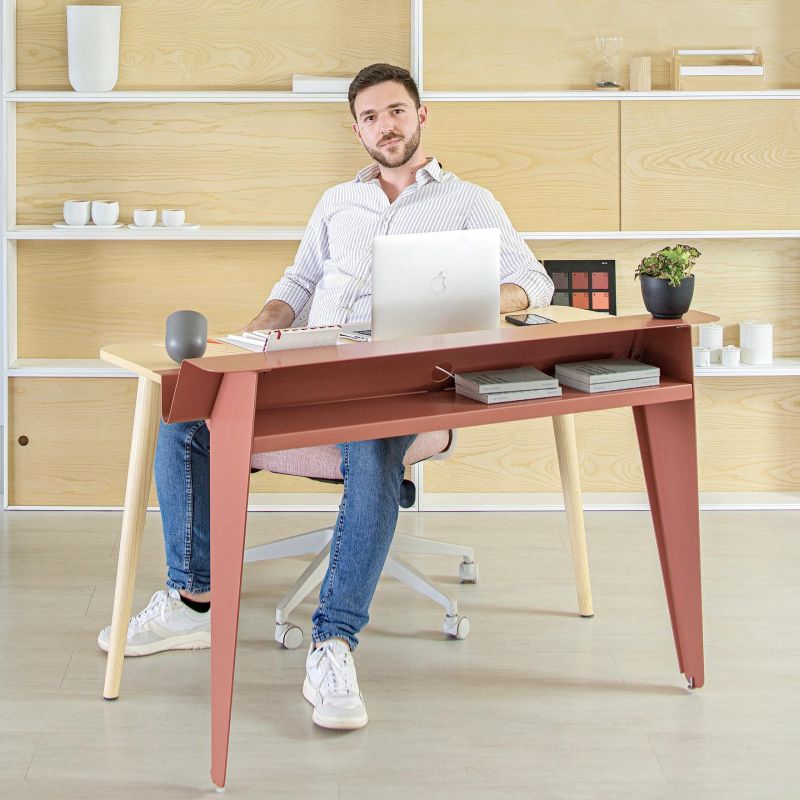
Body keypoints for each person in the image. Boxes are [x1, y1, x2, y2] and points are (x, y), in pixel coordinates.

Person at [98, 63, 554, 730]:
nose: (385, 126)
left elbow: (534, 284)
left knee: (372, 447)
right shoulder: (339, 201)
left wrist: (472, 301)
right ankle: (191, 602)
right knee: (185, 418)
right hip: (315, 365)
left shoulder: (469, 202)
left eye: (396, 111)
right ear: (357, 129)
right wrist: (257, 330)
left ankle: (333, 640)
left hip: (406, 379)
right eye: (370, 117)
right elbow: (299, 279)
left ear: (421, 115)